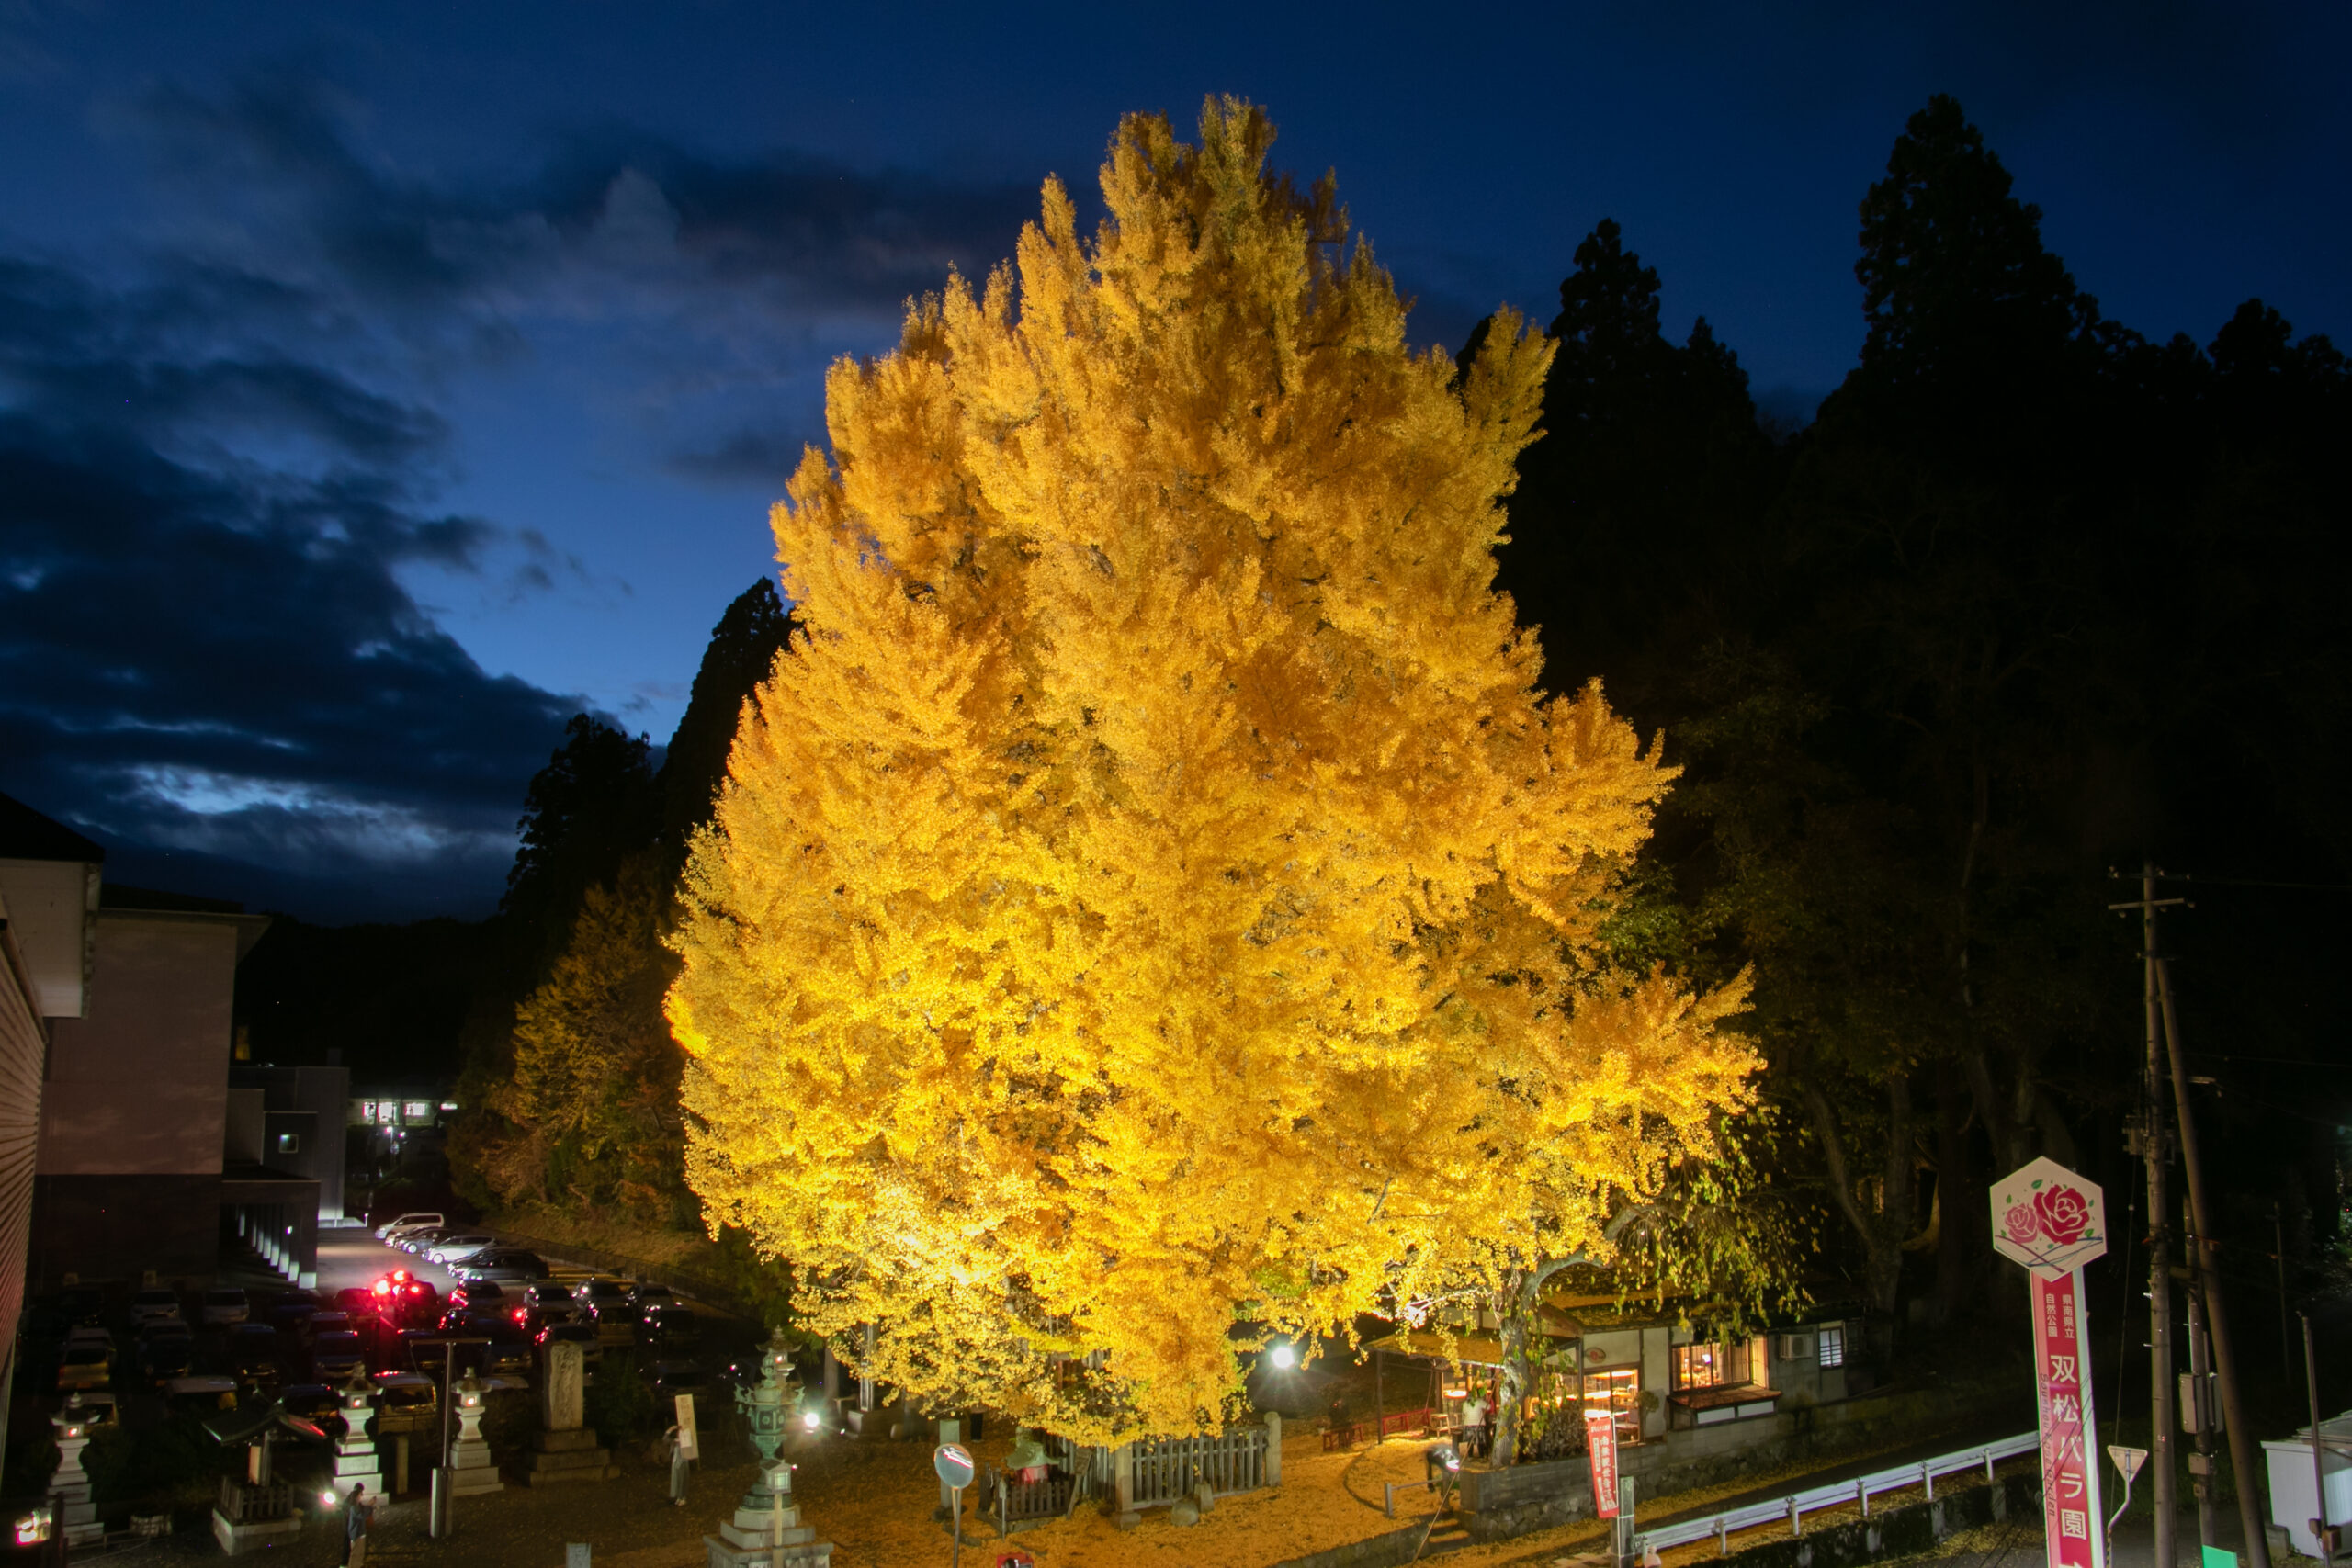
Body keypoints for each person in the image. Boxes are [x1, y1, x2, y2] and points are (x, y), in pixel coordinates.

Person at [341, 1483, 373, 1566]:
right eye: (361, 1493)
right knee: (354, 1551)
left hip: (350, 1527)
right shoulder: (353, 1504)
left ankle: (345, 1564)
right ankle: (345, 1564)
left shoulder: (350, 1500)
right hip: (354, 1529)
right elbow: (360, 1514)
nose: (362, 1495)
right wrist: (369, 1506)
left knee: (351, 1549)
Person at [664, 1422, 692, 1506]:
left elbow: (690, 1444)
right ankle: (678, 1497)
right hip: (675, 1463)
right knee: (676, 1480)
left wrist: (685, 1431)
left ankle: (683, 1497)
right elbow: (665, 1439)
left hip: (683, 1462)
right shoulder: (674, 1441)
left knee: (682, 1480)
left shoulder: (686, 1441)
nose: (680, 1433)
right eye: (679, 1432)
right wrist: (672, 1428)